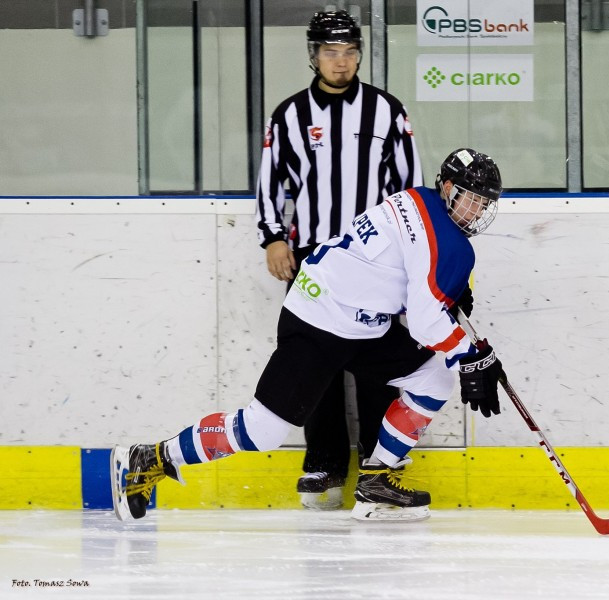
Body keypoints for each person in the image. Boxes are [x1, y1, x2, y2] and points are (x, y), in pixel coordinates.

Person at [112, 148, 505, 523]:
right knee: (262, 430)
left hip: (358, 322)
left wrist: (446, 293)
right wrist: (470, 355)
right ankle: (152, 458)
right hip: (318, 319)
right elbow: (422, 321)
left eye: (486, 203)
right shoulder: (451, 244)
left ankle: (375, 480)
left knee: (432, 380)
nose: (479, 210)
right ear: (449, 189)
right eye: (472, 198)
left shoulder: (416, 198)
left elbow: (398, 274)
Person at [255, 10, 424, 510]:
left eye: (350, 52)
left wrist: (412, 256)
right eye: (331, 52)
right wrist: (272, 238)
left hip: (376, 263)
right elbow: (271, 182)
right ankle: (324, 462)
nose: (341, 61)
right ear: (314, 56)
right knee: (315, 364)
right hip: (313, 261)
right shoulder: (288, 115)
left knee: (380, 362)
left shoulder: (387, 111)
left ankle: (378, 466)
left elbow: (409, 188)